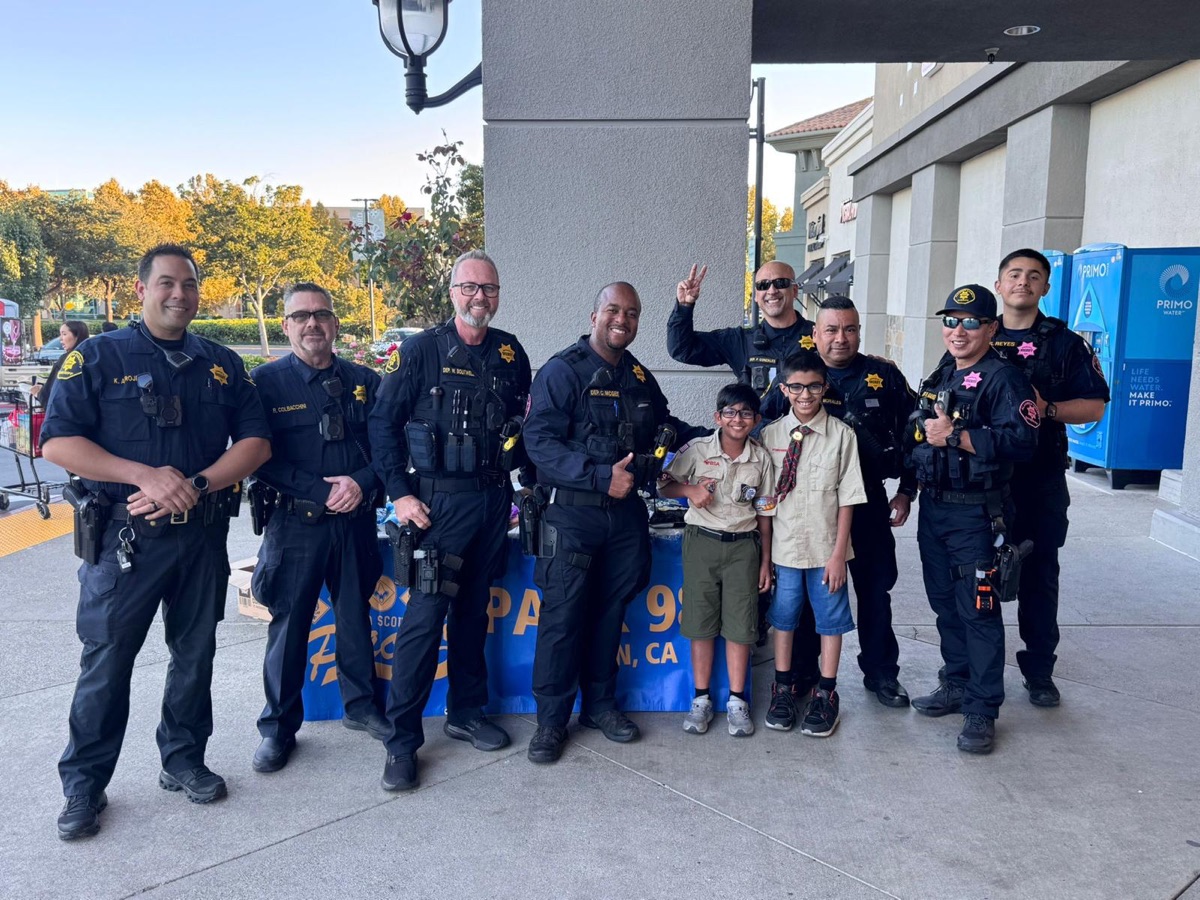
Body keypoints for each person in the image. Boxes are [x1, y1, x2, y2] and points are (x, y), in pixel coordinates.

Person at [41, 244, 271, 840]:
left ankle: (184, 759)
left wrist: (193, 483)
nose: (179, 294)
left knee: (195, 656)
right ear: (141, 288)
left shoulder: (220, 362)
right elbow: (58, 443)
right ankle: (85, 785)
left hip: (200, 535)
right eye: (166, 283)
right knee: (107, 662)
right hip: (125, 539)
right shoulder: (97, 356)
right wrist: (143, 475)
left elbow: (255, 443)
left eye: (189, 284)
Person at [368, 250, 531, 792]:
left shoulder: (511, 353)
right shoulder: (418, 352)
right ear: (452, 291)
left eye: (488, 288)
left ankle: (466, 712)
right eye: (469, 287)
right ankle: (402, 742)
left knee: (472, 611)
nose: (478, 297)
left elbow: (519, 428)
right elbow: (382, 425)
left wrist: (524, 485)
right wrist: (400, 496)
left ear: (499, 294)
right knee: (424, 619)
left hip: (490, 502)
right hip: (435, 505)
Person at [522, 281, 696, 764]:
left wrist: (724, 430)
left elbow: (669, 426)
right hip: (571, 514)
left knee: (609, 614)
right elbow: (539, 443)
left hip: (624, 519)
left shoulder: (638, 376)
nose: (623, 320)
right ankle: (551, 722)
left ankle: (599, 707)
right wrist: (600, 477)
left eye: (633, 313)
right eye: (614, 311)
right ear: (595, 314)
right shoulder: (562, 372)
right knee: (561, 620)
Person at [248, 282, 388, 774]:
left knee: (354, 617)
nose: (312, 324)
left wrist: (361, 482)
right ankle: (279, 728)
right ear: (286, 326)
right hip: (296, 524)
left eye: (321, 315)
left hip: (353, 522)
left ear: (334, 323)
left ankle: (362, 707)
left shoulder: (365, 381)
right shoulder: (264, 383)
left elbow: (387, 451)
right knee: (289, 627)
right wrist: (319, 490)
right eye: (301, 316)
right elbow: (256, 458)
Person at [908, 284, 1038, 754]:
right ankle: (957, 682)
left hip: (976, 515)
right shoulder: (943, 372)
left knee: (979, 611)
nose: (957, 330)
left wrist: (957, 435)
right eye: (950, 320)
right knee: (945, 604)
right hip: (934, 508)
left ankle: (982, 709)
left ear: (991, 328)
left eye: (969, 322)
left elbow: (1024, 441)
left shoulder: (1005, 379)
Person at [990, 250, 1109, 708]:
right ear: (999, 285)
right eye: (1014, 274)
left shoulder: (1063, 343)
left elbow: (1095, 405)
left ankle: (1039, 671)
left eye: (1034, 276)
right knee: (980, 575)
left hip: (1038, 480)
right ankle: (974, 670)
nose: (1023, 282)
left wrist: (1050, 410)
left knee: (1039, 575)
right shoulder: (977, 331)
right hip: (986, 478)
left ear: (1045, 288)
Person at [789, 297, 917, 709]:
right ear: (815, 334)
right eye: (831, 329)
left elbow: (917, 432)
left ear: (859, 332)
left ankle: (880, 673)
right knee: (812, 592)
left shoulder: (883, 375)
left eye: (849, 329)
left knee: (875, 591)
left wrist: (907, 490)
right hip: (811, 506)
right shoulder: (799, 375)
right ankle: (807, 672)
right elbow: (769, 432)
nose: (840, 338)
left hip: (869, 502)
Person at [658, 383, 775, 737]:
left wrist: (766, 561)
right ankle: (701, 698)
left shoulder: (761, 458)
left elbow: (765, 512)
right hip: (702, 543)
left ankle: (737, 701)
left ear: (755, 420)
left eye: (745, 413)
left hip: (744, 546)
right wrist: (690, 490)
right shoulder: (697, 450)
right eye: (730, 412)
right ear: (717, 417)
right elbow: (665, 485)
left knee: (742, 625)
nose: (737, 419)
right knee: (700, 621)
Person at [760, 350, 866, 737]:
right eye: (798, 387)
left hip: (826, 552)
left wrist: (839, 555)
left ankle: (826, 693)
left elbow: (848, 498)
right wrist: (765, 558)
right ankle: (783, 688)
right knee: (783, 620)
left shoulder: (842, 436)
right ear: (784, 388)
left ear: (825, 387)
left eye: (815, 386)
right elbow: (765, 505)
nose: (806, 395)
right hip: (785, 551)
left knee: (830, 622)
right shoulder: (770, 436)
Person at [667, 260, 816, 423]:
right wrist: (684, 307)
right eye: (763, 285)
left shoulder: (820, 336)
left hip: (809, 437)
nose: (772, 290)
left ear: (794, 290)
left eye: (780, 283)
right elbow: (682, 350)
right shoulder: (740, 340)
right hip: (757, 439)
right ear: (757, 296)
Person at [33, 320, 90, 408]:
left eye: (64, 334)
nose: (60, 338)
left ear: (77, 336)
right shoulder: (93, 356)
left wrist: (38, 393)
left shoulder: (67, 359)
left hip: (66, 412)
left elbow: (50, 392)